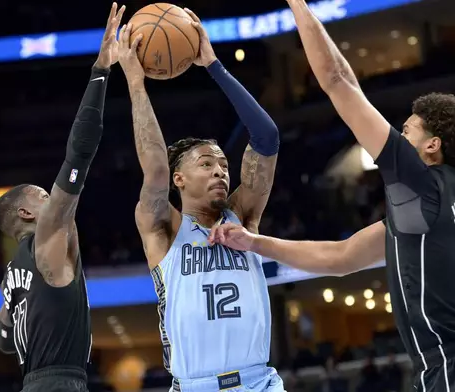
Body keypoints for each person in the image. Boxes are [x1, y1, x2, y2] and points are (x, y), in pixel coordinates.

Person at [208, 1, 455, 391]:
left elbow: (337, 79)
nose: (398, 135)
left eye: (407, 130)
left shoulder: (420, 185)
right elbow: (341, 258)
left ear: (432, 146)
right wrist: (256, 243)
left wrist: (298, 6)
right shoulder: (445, 197)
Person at [116, 8, 284, 392]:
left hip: (260, 383)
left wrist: (213, 65)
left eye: (224, 165)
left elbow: (267, 137)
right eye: (206, 164)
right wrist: (136, 83)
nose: (220, 171)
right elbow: (155, 169)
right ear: (179, 179)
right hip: (196, 386)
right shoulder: (163, 226)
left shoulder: (244, 214)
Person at [0, 4, 125, 391]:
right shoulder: (47, 235)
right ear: (26, 213)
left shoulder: (12, 276)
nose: (52, 197)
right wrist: (100, 72)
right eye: (42, 196)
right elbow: (79, 152)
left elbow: (3, 341)